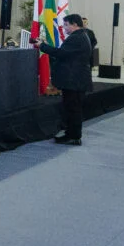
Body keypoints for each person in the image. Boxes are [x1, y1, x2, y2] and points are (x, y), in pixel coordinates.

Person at [37, 13, 93, 146]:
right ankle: (71, 134)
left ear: (74, 24)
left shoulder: (76, 38)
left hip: (74, 81)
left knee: (73, 109)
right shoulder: (81, 36)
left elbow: (61, 53)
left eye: (66, 25)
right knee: (73, 109)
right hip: (76, 80)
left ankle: (73, 136)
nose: (63, 28)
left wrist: (42, 46)